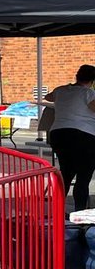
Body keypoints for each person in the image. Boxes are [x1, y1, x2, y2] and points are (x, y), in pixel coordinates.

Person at [44, 64, 95, 211]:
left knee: (66, 173)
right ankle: (80, 213)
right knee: (83, 177)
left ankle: (58, 211)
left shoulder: (60, 90)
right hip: (83, 136)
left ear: (77, 76)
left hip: (58, 134)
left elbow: (48, 97)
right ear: (92, 80)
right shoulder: (89, 93)